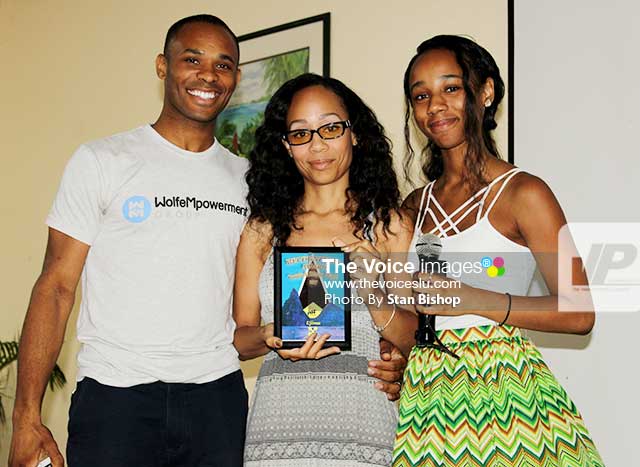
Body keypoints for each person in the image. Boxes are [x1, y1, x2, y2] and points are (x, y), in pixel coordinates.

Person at [7, 14, 402, 467]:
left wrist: (391, 354)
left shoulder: (251, 184)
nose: (208, 76)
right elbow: (55, 287)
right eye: (192, 59)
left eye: (224, 64)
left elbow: (253, 320)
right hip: (116, 398)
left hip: (217, 401)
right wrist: (26, 417)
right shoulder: (102, 160)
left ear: (235, 78)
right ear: (162, 66)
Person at [391, 35, 605, 467]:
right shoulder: (413, 205)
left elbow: (580, 313)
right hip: (428, 397)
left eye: (451, 88)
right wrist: (393, 352)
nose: (435, 106)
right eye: (421, 95)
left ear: (485, 93)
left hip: (509, 393)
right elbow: (405, 312)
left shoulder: (524, 192)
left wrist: (473, 298)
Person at [233, 73, 417, 466]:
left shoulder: (389, 226)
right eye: (300, 134)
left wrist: (372, 287)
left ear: (355, 134)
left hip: (363, 428)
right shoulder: (261, 230)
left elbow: (412, 338)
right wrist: (271, 336)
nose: (317, 145)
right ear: (286, 146)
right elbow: (239, 339)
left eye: (331, 128)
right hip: (277, 430)